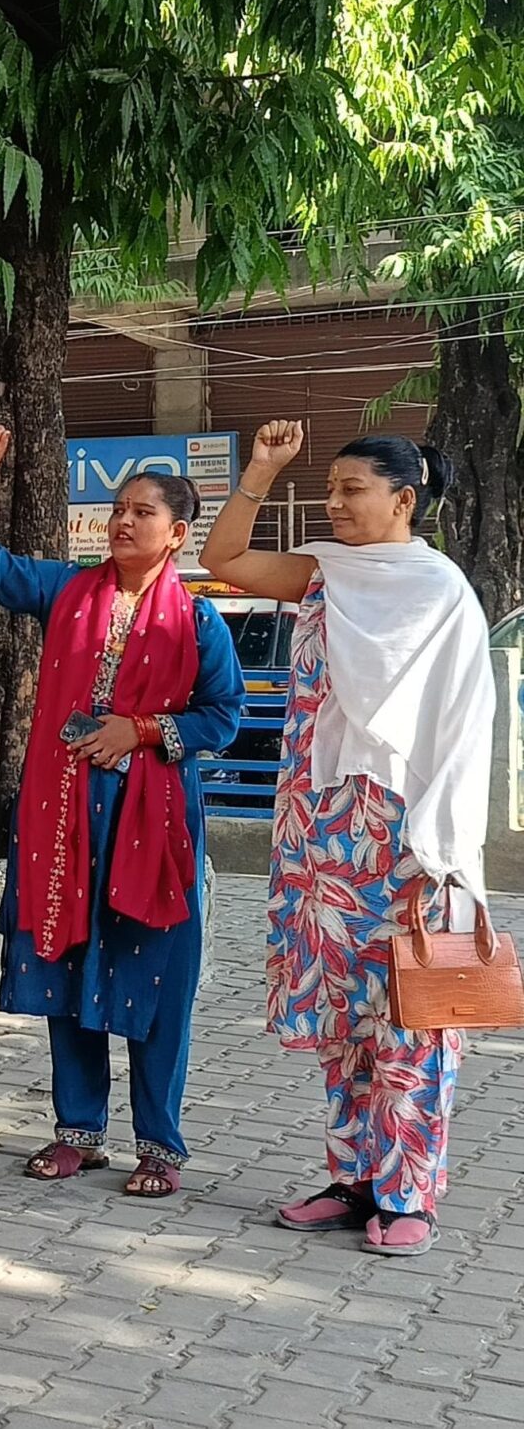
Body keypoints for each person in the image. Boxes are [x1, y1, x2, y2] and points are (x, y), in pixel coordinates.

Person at [203, 422, 495, 1257]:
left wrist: (442, 852)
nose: (333, 504)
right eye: (329, 489)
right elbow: (225, 559)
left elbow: (463, 726)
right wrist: (261, 471)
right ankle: (354, 1179)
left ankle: (411, 1195)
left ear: (404, 500)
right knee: (345, 1021)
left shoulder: (441, 594)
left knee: (413, 1016)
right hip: (320, 826)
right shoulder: (328, 572)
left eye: (350, 490)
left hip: (405, 833)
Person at [0, 427, 242, 1197]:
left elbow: (223, 716)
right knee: (68, 960)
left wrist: (141, 731)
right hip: (65, 813)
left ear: (177, 534)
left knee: (156, 977)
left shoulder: (199, 622)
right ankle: (78, 1131)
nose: (121, 522)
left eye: (142, 512)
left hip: (153, 821)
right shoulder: (68, 592)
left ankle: (159, 1145)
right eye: (117, 509)